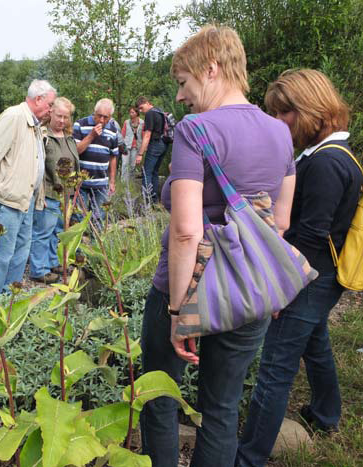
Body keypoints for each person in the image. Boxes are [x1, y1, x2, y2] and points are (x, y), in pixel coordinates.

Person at [140, 25, 296, 467]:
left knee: (160, 399)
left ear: (210, 70)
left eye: (183, 83)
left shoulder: (195, 130)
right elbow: (279, 221)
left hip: (186, 287)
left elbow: (187, 230)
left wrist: (176, 313)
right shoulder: (280, 133)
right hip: (248, 291)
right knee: (222, 410)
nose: (182, 96)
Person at [237, 69, 362, 467]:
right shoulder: (334, 155)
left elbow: (309, 236)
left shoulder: (326, 163)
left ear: (307, 110)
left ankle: (249, 455)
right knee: (315, 341)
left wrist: (280, 288)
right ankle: (326, 414)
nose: (278, 123)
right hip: (319, 276)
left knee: (275, 367)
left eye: (283, 113)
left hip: (308, 278)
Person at [0, 79, 56, 294]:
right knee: (3, 253)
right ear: (38, 99)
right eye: (49, 104)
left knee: (21, 252)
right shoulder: (14, 116)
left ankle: (9, 299)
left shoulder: (36, 124)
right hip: (8, 199)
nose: (51, 109)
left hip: (26, 198)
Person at [29, 97, 79, 283]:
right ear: (51, 113)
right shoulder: (42, 137)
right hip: (48, 192)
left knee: (57, 231)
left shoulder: (68, 137)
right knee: (43, 231)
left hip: (66, 194)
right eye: (59, 116)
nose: (62, 121)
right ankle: (39, 269)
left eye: (66, 117)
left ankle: (52, 262)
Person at [73, 98, 119, 223]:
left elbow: (113, 156)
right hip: (80, 183)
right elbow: (76, 151)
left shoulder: (113, 131)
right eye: (99, 116)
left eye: (106, 117)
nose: (102, 120)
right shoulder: (80, 124)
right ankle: (78, 242)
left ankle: (95, 242)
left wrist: (112, 181)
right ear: (94, 112)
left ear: (110, 117)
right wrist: (92, 135)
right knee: (78, 219)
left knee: (98, 218)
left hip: (101, 183)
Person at [136, 96, 168, 203]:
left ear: (147, 103)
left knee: (147, 173)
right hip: (164, 144)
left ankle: (147, 202)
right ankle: (155, 200)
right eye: (139, 109)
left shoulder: (150, 113)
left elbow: (147, 135)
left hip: (155, 144)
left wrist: (140, 153)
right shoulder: (160, 111)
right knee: (154, 172)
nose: (141, 111)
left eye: (141, 107)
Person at [121, 106, 144, 183]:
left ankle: (131, 182)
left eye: (133, 112)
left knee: (132, 166)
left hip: (136, 146)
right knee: (124, 164)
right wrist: (121, 145)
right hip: (126, 146)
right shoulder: (126, 122)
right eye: (130, 112)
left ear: (137, 113)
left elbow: (144, 135)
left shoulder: (142, 123)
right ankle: (123, 182)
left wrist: (143, 147)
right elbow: (122, 134)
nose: (131, 114)